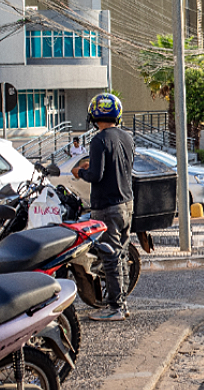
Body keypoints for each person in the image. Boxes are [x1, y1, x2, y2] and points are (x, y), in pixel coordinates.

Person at [72, 93, 135, 322]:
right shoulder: (127, 137)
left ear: (94, 114)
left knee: (110, 256)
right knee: (121, 253)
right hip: (126, 203)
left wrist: (80, 172)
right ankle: (122, 303)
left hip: (107, 206)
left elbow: (96, 175)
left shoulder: (98, 140)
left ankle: (115, 307)